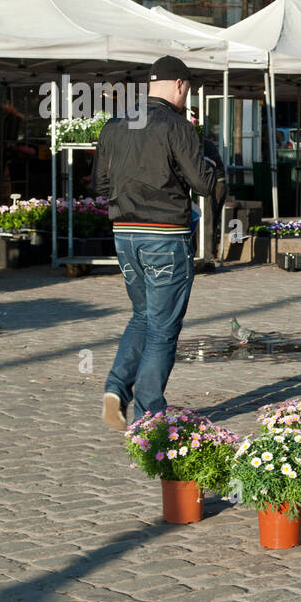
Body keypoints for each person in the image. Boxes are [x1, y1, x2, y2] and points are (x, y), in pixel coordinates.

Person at [92, 55, 224, 429]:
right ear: (181, 85)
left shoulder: (115, 124)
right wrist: (212, 165)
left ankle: (117, 388)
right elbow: (203, 184)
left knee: (143, 315)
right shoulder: (176, 125)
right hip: (164, 234)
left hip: (124, 234)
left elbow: (99, 186)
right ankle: (149, 415)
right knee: (163, 328)